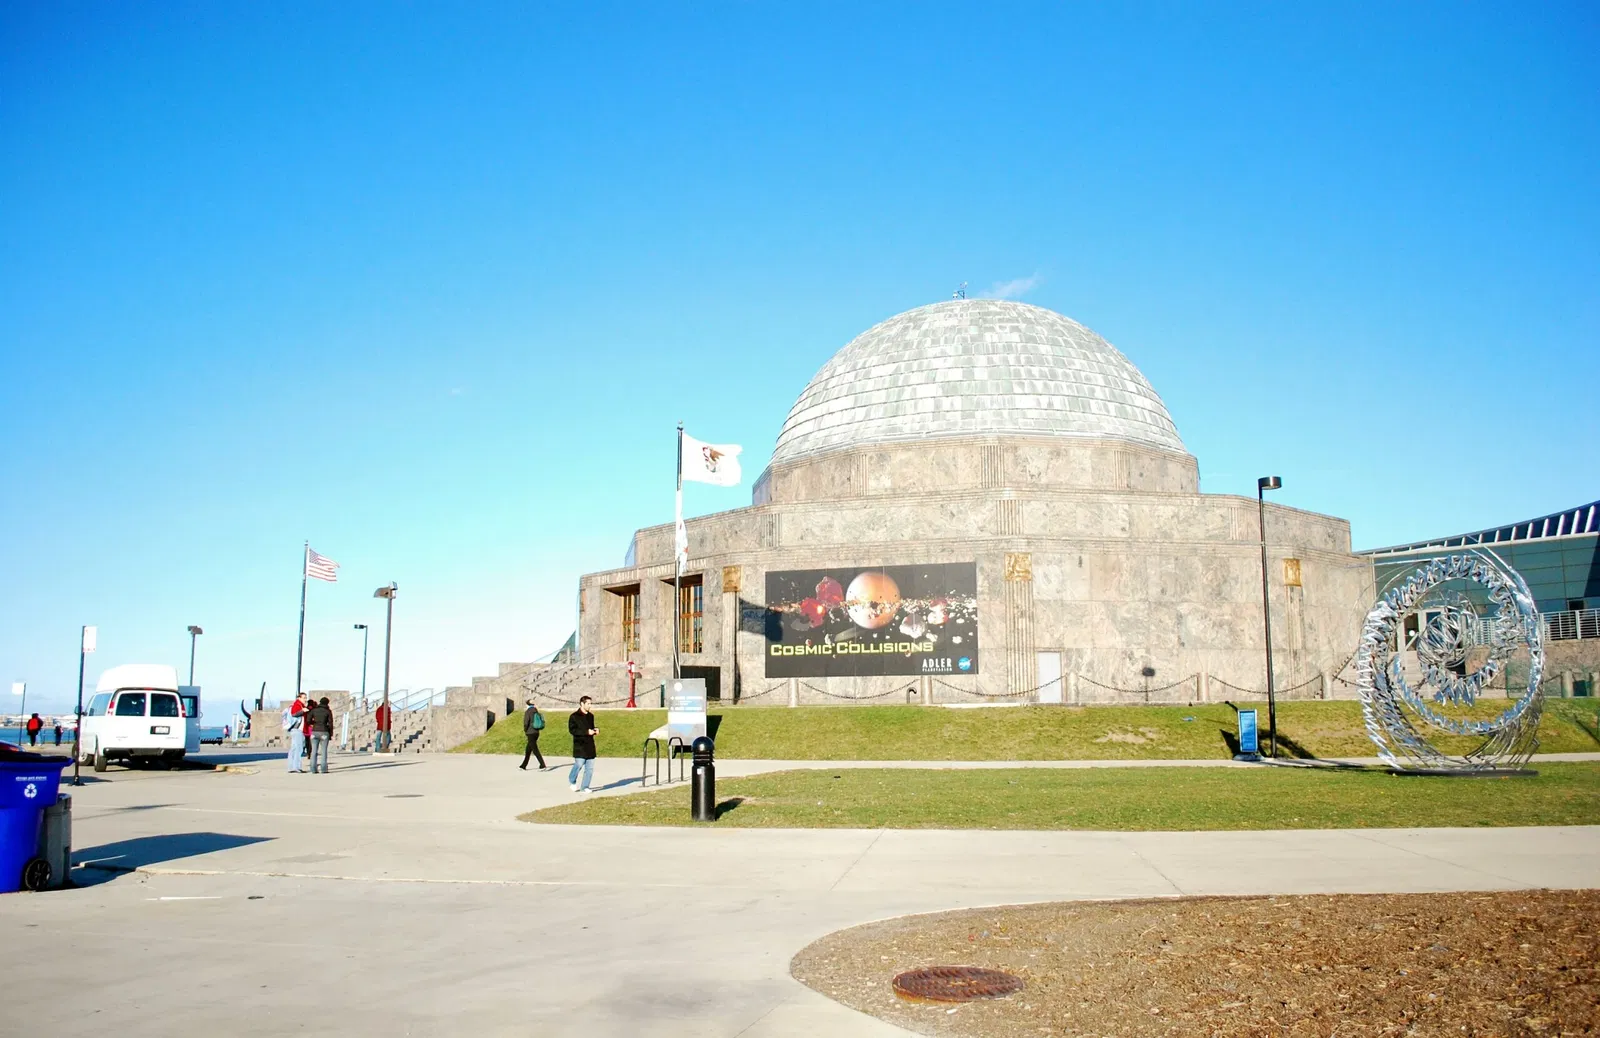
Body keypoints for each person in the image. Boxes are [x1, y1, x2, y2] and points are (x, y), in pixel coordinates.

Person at [567, 696, 597, 794]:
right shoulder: (574, 716)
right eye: (588, 703)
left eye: (590, 703)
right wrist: (586, 732)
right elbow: (572, 730)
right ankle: (572, 781)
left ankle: (585, 786)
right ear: (582, 704)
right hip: (580, 745)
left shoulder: (591, 716)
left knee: (590, 768)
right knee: (579, 764)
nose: (590, 705)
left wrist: (595, 730)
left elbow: (591, 728)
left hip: (590, 745)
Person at [307, 696, 334, 774]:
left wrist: (314, 723)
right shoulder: (328, 711)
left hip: (314, 731)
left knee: (314, 751)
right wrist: (330, 733)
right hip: (324, 731)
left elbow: (308, 720)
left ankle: (313, 768)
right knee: (324, 751)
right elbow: (331, 723)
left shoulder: (314, 710)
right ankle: (324, 768)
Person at [519, 698, 547, 771]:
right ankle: (523, 765)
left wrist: (525, 730)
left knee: (535, 750)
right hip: (536, 732)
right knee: (528, 750)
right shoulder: (535, 711)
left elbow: (526, 723)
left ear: (527, 705)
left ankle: (542, 765)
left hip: (530, 732)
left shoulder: (528, 712)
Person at [282, 693, 306, 773]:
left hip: (294, 729)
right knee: (299, 748)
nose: (305, 699)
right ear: (299, 698)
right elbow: (294, 714)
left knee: (294, 748)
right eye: (304, 698)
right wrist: (303, 711)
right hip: (297, 729)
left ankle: (291, 767)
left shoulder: (297, 705)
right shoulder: (297, 705)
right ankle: (296, 767)